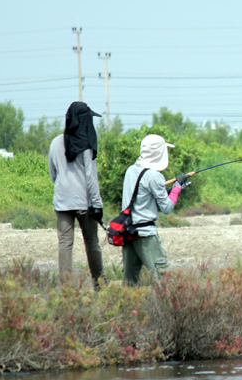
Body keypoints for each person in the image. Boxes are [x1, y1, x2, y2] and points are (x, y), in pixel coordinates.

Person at [48, 101, 106, 289]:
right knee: (92, 243)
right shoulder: (87, 145)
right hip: (85, 203)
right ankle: (99, 284)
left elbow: (52, 173)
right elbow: (90, 177)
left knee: (65, 244)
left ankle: (65, 288)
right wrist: (97, 203)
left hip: (62, 202)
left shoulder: (56, 142)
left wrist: (64, 188)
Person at [121, 134, 189, 286]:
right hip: (145, 235)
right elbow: (167, 208)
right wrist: (177, 188)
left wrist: (170, 190)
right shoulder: (154, 176)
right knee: (164, 278)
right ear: (159, 153)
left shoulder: (131, 170)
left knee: (130, 282)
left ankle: (125, 308)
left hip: (128, 232)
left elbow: (142, 200)